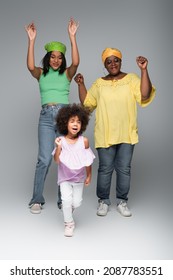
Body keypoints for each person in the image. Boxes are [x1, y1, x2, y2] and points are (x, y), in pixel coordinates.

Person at [74, 47, 156, 217]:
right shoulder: (99, 84)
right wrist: (81, 84)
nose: (113, 64)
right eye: (108, 62)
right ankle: (103, 201)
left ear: (120, 61)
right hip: (105, 133)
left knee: (124, 169)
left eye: (115, 60)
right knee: (105, 169)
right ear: (105, 65)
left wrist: (143, 70)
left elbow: (145, 94)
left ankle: (122, 201)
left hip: (126, 133)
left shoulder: (131, 79)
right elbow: (87, 104)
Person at [25, 18, 80, 214]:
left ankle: (63, 200)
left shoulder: (67, 74)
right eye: (52, 57)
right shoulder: (41, 74)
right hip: (46, 118)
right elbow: (30, 66)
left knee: (64, 159)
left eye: (59, 57)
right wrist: (31, 40)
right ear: (47, 58)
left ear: (62, 59)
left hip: (64, 117)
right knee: (44, 159)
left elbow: (76, 62)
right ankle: (36, 199)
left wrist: (72, 37)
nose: (56, 60)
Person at [53, 103, 95, 237]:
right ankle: (69, 223)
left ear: (82, 125)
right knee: (66, 201)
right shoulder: (61, 141)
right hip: (64, 178)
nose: (75, 124)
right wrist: (59, 147)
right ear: (65, 123)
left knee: (76, 202)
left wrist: (89, 176)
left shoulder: (84, 141)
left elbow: (88, 160)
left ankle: (68, 210)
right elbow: (56, 160)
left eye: (78, 121)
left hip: (78, 179)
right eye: (72, 121)